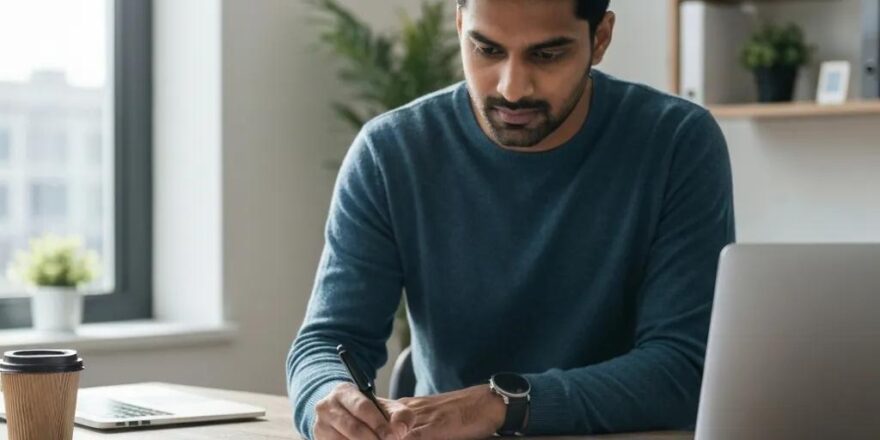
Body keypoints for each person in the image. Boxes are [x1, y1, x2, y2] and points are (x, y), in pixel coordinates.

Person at [287, 0, 735, 438]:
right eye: (487, 49)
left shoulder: (677, 143)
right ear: (461, 26)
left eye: (546, 54)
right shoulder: (390, 152)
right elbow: (328, 341)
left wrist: (502, 404)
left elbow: (683, 368)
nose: (511, 88)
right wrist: (329, 400)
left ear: (600, 38)